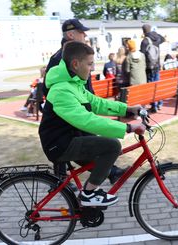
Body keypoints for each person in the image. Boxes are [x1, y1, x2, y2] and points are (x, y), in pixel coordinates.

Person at [39, 41, 146, 206]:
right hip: (59, 145)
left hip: (70, 139)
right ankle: (89, 194)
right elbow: (86, 120)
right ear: (75, 64)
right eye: (89, 64)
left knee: (102, 160)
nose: (93, 68)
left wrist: (128, 109)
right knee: (112, 146)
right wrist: (127, 127)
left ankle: (90, 198)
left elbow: (97, 103)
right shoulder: (62, 90)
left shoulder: (73, 83)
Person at [44, 19, 126, 184]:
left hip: (73, 118)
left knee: (97, 148)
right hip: (67, 126)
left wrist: (127, 109)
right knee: (108, 146)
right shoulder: (63, 61)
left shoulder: (74, 73)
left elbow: (93, 100)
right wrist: (127, 127)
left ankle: (104, 176)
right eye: (82, 32)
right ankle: (87, 189)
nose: (85, 35)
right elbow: (60, 95)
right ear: (71, 34)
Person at [140, 24, 165, 113]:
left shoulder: (145, 41)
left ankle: (154, 105)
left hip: (149, 67)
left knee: (151, 86)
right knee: (157, 85)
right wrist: (155, 33)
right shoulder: (157, 38)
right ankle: (160, 103)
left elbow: (142, 55)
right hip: (157, 65)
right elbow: (163, 39)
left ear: (143, 31)